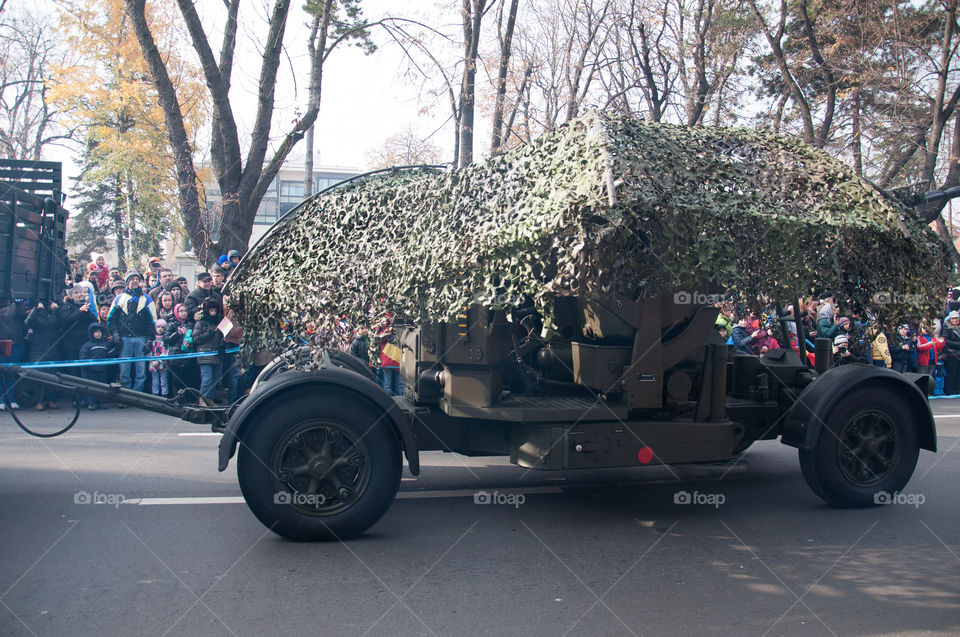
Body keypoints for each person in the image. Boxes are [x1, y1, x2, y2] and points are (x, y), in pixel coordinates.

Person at [107, 271, 157, 397]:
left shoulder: (147, 299)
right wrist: (115, 334)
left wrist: (149, 340)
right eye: (132, 279)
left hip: (141, 338)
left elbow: (152, 322)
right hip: (124, 339)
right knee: (124, 371)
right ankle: (126, 395)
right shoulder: (119, 298)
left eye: (137, 279)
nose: (135, 281)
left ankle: (138, 395)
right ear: (127, 281)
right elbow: (110, 319)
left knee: (141, 372)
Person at [24, 299, 61, 409]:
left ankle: (50, 399)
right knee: (38, 376)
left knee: (51, 375)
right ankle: (38, 401)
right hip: (38, 348)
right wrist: (36, 309)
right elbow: (28, 323)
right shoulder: (36, 315)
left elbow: (61, 323)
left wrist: (56, 310)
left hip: (52, 347)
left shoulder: (53, 314)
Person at [78, 323, 119, 410]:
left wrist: (117, 347)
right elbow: (83, 358)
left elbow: (111, 354)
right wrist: (87, 368)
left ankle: (102, 402)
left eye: (100, 332)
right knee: (91, 387)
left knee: (103, 386)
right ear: (91, 333)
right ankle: (91, 403)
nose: (98, 334)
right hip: (91, 371)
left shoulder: (105, 344)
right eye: (96, 332)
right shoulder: (87, 345)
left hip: (103, 370)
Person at [191, 298, 224, 406]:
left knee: (215, 378)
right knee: (207, 378)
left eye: (215, 310)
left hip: (216, 353)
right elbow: (196, 339)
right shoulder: (200, 323)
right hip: (204, 354)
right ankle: (203, 399)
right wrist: (209, 333)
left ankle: (210, 399)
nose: (213, 313)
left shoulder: (219, 323)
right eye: (211, 310)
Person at [0, 295, 27, 410]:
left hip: (16, 342)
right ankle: (1, 399)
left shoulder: (16, 303)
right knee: (1, 374)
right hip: (2, 342)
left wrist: (19, 302)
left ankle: (11, 399)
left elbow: (23, 316)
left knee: (13, 372)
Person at [149, 318, 170, 398]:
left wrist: (158, 360)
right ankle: (155, 395)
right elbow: (149, 351)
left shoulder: (165, 340)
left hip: (163, 363)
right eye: (158, 327)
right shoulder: (152, 339)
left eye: (162, 327)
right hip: (153, 363)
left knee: (164, 380)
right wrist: (152, 360)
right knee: (155, 380)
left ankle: (164, 395)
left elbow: (166, 351)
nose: (160, 329)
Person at [941, 311, 960, 394]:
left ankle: (957, 390)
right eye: (953, 318)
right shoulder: (946, 329)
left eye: (956, 318)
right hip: (951, 354)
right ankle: (950, 391)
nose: (955, 320)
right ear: (950, 319)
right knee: (951, 374)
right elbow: (946, 342)